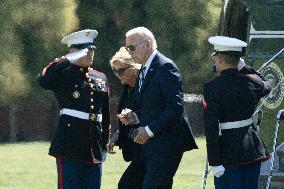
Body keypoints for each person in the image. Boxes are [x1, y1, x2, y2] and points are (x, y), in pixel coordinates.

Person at [117, 27, 198, 189]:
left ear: (147, 44)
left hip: (168, 142)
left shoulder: (165, 67)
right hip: (153, 145)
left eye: (131, 47)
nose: (129, 52)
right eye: (127, 48)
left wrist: (148, 130)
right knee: (129, 184)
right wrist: (135, 116)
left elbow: (175, 107)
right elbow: (152, 106)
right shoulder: (143, 70)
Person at [37, 29, 110, 189]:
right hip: (69, 146)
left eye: (92, 49)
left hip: (93, 148)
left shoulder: (100, 77)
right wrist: (67, 59)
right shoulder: (63, 74)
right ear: (72, 51)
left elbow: (105, 115)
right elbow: (43, 80)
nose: (90, 53)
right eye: (85, 50)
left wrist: (104, 144)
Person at [203, 36, 271, 189]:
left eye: (216, 58)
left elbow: (211, 128)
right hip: (251, 151)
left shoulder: (212, 88)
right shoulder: (252, 83)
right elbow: (266, 83)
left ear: (220, 59)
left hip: (227, 155)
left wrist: (214, 162)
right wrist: (244, 67)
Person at [107, 47, 146, 189]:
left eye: (121, 71)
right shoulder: (127, 89)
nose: (118, 75)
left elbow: (152, 112)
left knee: (126, 185)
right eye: (115, 71)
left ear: (134, 69)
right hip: (137, 150)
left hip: (150, 150)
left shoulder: (145, 87)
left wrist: (135, 116)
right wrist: (117, 136)